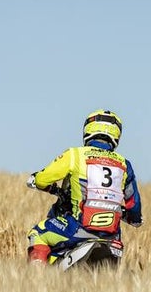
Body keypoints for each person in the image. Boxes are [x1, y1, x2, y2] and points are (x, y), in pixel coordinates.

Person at [25, 110, 143, 265]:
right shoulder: (125, 165)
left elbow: (43, 179)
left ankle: (36, 279)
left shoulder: (75, 155)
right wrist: (132, 218)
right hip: (112, 238)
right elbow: (134, 207)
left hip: (77, 229)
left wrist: (37, 180)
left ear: (88, 129)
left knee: (38, 232)